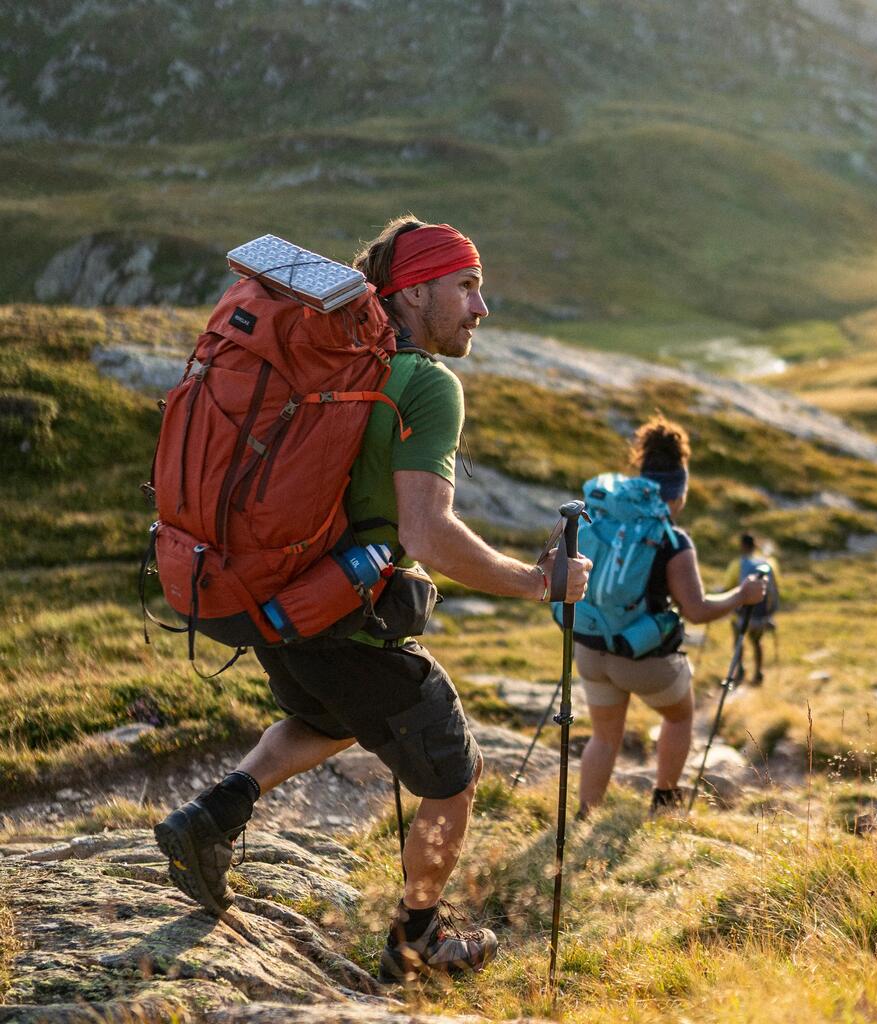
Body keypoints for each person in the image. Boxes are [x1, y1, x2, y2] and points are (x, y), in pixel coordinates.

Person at [154, 216, 591, 983]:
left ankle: (211, 816)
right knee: (454, 779)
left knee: (327, 716)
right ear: (414, 289)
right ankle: (415, 943)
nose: (481, 308)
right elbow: (428, 531)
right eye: (466, 285)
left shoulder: (338, 363)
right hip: (338, 616)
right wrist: (533, 582)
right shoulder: (423, 383)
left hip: (271, 599)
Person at [574, 416, 767, 817]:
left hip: (590, 647)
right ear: (679, 492)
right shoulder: (673, 540)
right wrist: (742, 596)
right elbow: (696, 611)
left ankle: (584, 813)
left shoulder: (607, 519)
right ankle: (664, 803)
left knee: (604, 736)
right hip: (643, 658)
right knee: (679, 718)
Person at [724, 533, 780, 686]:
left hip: (740, 614)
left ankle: (740, 670)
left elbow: (728, 585)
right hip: (761, 615)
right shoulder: (768, 564)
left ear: (742, 546)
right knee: (757, 642)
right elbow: (774, 589)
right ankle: (758, 673)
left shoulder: (737, 564)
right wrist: (770, 613)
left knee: (738, 641)